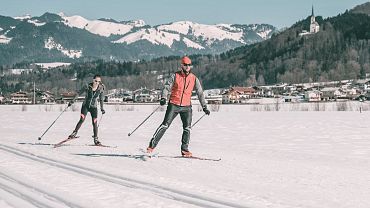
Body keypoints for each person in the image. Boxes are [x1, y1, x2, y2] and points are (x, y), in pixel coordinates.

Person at [147, 56, 210, 157]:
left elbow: (200, 93)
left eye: (189, 65)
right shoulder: (175, 76)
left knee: (187, 128)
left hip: (187, 107)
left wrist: (204, 107)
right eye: (185, 65)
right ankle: (152, 145)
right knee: (165, 125)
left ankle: (184, 150)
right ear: (182, 65)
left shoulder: (194, 78)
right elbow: (166, 87)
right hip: (174, 104)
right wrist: (163, 97)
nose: (187, 66)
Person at [67, 74, 106, 145]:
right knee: (82, 119)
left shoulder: (101, 88)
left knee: (94, 123)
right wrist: (72, 101)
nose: (97, 82)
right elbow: (78, 94)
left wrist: (102, 108)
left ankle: (96, 139)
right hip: (85, 106)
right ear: (93, 80)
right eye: (96, 81)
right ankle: (74, 133)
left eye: (99, 81)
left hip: (93, 107)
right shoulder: (87, 86)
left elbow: (101, 99)